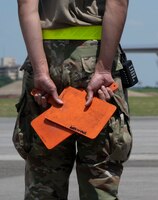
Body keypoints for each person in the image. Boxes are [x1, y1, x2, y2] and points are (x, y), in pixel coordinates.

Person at [14, 0, 132, 199]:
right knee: (99, 171)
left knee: (44, 171)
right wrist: (103, 69)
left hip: (46, 59)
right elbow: (118, 3)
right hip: (95, 58)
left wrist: (41, 71)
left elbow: (27, 6)